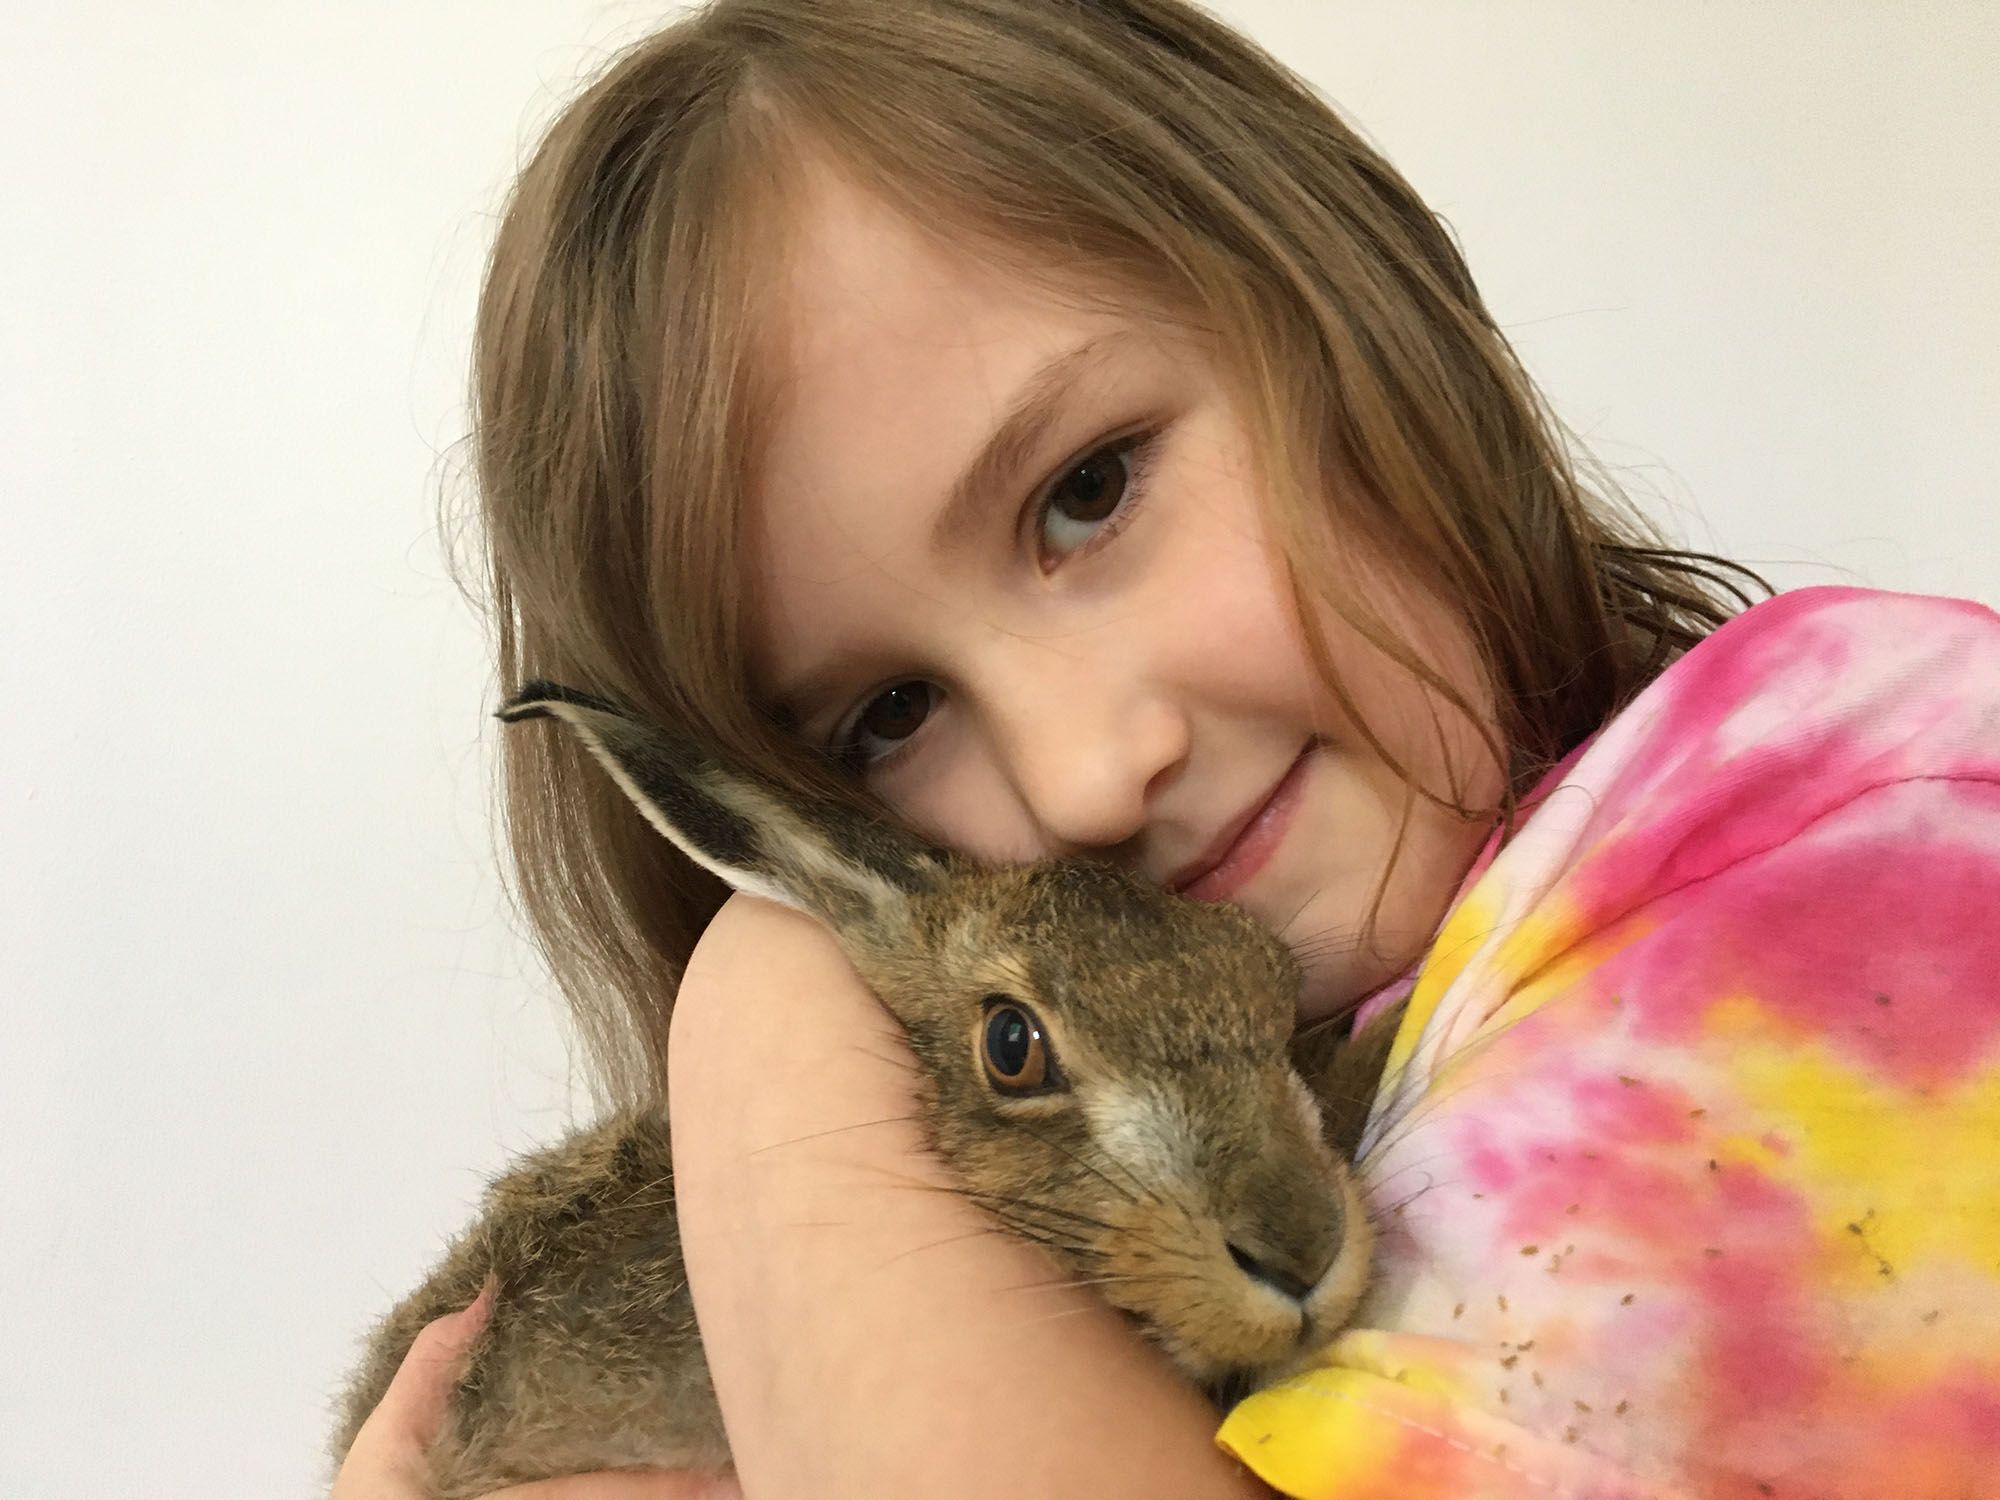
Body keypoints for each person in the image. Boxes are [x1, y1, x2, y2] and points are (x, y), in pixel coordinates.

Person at [331, 2, 2000, 1497]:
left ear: (1343, 304)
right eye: (886, 718)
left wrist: (760, 1007)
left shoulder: (1871, 811)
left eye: (1090, 489)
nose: (1078, 779)